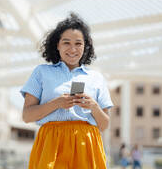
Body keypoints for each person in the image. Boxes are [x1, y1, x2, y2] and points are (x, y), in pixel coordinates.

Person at [21, 13, 114, 169]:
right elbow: (26, 116)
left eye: (78, 43)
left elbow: (104, 125)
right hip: (51, 144)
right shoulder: (41, 72)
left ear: (85, 46)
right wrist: (57, 103)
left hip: (87, 146)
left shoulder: (96, 78)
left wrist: (93, 106)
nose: (72, 49)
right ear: (57, 45)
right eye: (66, 43)